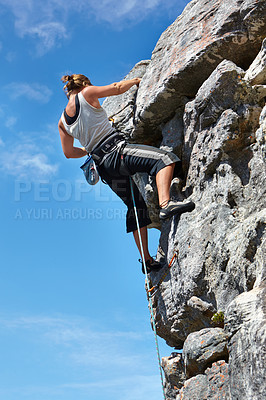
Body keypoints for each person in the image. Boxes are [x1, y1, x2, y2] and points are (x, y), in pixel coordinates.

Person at [58, 74, 195, 273]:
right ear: (85, 84)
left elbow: (68, 153)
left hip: (103, 167)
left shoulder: (62, 122)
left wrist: (88, 150)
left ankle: (147, 260)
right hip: (117, 152)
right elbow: (116, 87)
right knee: (164, 160)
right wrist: (136, 81)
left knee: (135, 206)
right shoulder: (87, 93)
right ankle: (166, 204)